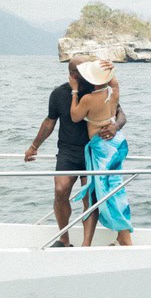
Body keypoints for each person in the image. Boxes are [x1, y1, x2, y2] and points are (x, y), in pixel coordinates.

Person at [24, 57, 127, 246]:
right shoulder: (59, 94)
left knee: (90, 198)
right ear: (73, 74)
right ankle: (64, 239)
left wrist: (115, 126)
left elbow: (120, 113)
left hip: (93, 152)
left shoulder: (98, 89)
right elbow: (49, 122)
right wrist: (34, 146)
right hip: (68, 151)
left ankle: (85, 245)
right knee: (60, 190)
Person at [69, 60, 133, 246]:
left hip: (102, 148)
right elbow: (114, 81)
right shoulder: (113, 92)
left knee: (107, 189)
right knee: (114, 185)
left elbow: (75, 116)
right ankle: (122, 233)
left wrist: (74, 92)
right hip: (116, 143)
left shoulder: (88, 99)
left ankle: (123, 234)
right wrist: (109, 68)